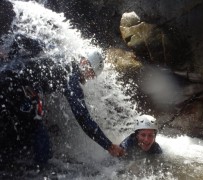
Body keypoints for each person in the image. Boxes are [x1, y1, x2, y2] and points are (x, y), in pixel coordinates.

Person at [0, 35, 124, 167]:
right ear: (84, 62)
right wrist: (108, 145)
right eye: (91, 73)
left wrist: (9, 57)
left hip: (5, 70)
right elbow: (83, 117)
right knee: (42, 141)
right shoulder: (71, 77)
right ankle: (38, 170)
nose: (90, 78)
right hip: (12, 86)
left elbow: (20, 38)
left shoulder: (60, 52)